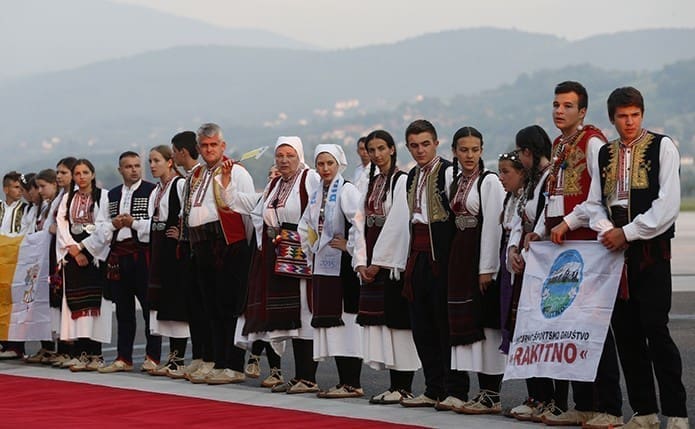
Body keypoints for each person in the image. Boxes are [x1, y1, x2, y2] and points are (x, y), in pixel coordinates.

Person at [587, 86, 689, 429]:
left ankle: (676, 412)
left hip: (650, 252)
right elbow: (594, 203)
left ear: (642, 114)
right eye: (622, 116)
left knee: (656, 331)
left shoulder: (663, 146)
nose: (629, 122)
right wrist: (607, 229)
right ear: (612, 118)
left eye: (635, 115)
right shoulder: (605, 153)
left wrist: (628, 232)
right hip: (615, 254)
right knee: (627, 334)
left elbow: (667, 205)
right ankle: (644, 411)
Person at [527, 81, 623, 428]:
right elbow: (553, 198)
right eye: (556, 104)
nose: (559, 111)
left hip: (585, 245)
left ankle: (609, 406)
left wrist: (568, 223)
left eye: (568, 106)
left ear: (582, 111)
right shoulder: (559, 144)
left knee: (593, 327)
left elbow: (596, 199)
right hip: (560, 245)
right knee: (568, 328)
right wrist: (539, 231)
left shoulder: (592, 142)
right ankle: (583, 404)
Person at [235, 136, 321, 394]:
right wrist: (267, 241)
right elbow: (258, 214)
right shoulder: (275, 184)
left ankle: (308, 377)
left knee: (305, 314)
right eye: (280, 156)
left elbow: (318, 212)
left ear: (299, 156)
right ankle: (300, 376)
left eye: (289, 155)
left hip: (302, 254)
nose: (284, 160)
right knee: (292, 317)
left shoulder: (309, 178)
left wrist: (304, 240)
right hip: (279, 253)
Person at [399, 119, 470, 409]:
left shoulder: (449, 172)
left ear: (436, 144)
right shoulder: (411, 176)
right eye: (414, 145)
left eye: (425, 144)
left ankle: (456, 389)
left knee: (446, 325)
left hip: (441, 258)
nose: (420, 150)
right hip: (417, 256)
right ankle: (433, 388)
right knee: (422, 325)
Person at [353, 130, 420, 405]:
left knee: (398, 323)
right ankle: (395, 385)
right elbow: (359, 221)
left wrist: (378, 262)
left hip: (393, 261)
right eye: (372, 150)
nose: (377, 154)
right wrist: (360, 260)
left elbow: (397, 223)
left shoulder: (401, 180)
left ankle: (404, 385)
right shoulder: (372, 182)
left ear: (392, 149)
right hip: (373, 252)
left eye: (382, 148)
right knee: (384, 324)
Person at [507, 125, 569, 421]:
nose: (520, 158)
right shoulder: (532, 181)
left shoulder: (550, 178)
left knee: (549, 332)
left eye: (520, 153)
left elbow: (543, 222)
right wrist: (512, 250)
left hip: (544, 264)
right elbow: (519, 220)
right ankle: (538, 395)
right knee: (528, 331)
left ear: (528, 151)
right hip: (526, 260)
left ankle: (556, 399)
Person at [185, 123, 253, 385]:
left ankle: (233, 364)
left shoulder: (236, 171)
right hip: (202, 245)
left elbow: (248, 213)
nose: (209, 149)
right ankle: (216, 360)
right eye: (204, 145)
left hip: (228, 245)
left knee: (229, 306)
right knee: (210, 307)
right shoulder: (198, 174)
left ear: (223, 146)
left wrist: (242, 248)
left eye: (214, 145)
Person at [444, 126, 506, 415]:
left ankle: (491, 392)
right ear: (454, 151)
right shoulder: (456, 181)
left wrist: (487, 268)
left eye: (475, 150)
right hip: (460, 256)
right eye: (464, 150)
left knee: (485, 324)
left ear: (482, 150)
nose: (469, 155)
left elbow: (493, 225)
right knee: (466, 323)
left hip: (478, 256)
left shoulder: (488, 181)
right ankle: (474, 391)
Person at [298, 144, 365, 398]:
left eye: (330, 163)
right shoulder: (317, 193)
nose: (325, 169)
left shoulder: (347, 190)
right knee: (334, 325)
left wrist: (349, 246)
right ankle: (344, 381)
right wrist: (311, 246)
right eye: (320, 164)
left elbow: (359, 222)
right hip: (324, 265)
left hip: (344, 268)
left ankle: (352, 382)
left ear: (339, 165)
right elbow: (306, 224)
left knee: (347, 323)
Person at [99, 152, 160, 373]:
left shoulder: (152, 191)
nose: (134, 170)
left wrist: (133, 223)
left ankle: (152, 357)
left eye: (137, 165)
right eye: (128, 166)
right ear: (120, 170)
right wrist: (114, 225)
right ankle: (123, 357)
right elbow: (101, 227)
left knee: (148, 309)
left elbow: (155, 223)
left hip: (141, 255)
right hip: (118, 256)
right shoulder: (112, 194)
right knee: (123, 311)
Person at [55, 159, 113, 372]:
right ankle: (80, 353)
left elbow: (105, 227)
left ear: (93, 174)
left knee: (95, 308)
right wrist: (73, 249)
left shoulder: (103, 196)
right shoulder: (68, 198)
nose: (81, 177)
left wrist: (85, 249)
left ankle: (96, 355)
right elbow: (62, 224)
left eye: (85, 172)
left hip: (94, 257)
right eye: (77, 173)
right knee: (76, 307)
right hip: (73, 256)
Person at [170, 131, 212, 380]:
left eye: (174, 152)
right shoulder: (188, 178)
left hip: (202, 246)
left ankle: (209, 356)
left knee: (205, 306)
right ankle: (198, 356)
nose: (173, 157)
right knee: (193, 306)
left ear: (182, 152)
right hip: (188, 247)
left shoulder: (202, 175)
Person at [145, 145, 189, 377]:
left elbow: (188, 211)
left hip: (175, 251)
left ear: (170, 162)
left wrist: (182, 233)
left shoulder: (179, 185)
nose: (152, 165)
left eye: (156, 161)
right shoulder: (157, 190)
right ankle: (172, 356)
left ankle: (178, 358)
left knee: (176, 302)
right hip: (159, 248)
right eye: (150, 161)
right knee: (164, 303)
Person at [496, 151, 526, 356]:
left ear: (521, 173)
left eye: (506, 172)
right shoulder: (510, 198)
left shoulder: (527, 199)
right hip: (506, 254)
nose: (501, 177)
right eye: (500, 172)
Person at [0, 171, 29, 359]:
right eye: (16, 187)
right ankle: (4, 343)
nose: (19, 191)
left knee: (17, 304)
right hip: (1, 264)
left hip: (17, 263)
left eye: (21, 188)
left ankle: (17, 346)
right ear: (6, 189)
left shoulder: (26, 209)